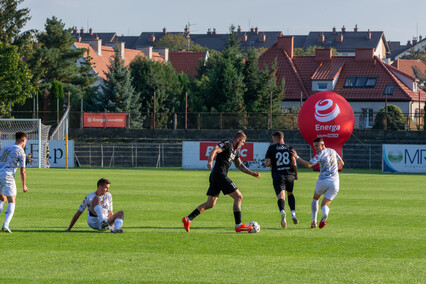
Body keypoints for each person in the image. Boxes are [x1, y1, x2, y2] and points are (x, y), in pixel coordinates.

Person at [182, 131, 261, 233]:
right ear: (238, 139)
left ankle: (188, 219)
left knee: (210, 203)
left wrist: (251, 173)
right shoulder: (228, 144)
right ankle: (238, 225)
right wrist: (210, 162)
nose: (243, 144)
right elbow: (214, 150)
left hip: (216, 177)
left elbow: (239, 165)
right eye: (243, 142)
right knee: (239, 197)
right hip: (220, 175)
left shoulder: (235, 151)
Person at [291, 138, 344, 229]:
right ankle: (325, 214)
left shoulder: (320, 154)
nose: (315, 148)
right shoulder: (333, 151)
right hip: (335, 182)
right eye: (314, 146)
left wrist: (297, 157)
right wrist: (334, 170)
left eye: (317, 146)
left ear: (322, 145)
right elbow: (342, 163)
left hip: (323, 180)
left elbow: (308, 165)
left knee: (315, 198)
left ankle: (314, 221)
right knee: (324, 204)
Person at [265, 131, 298, 228]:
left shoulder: (271, 148)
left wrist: (273, 161)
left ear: (275, 138)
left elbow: (267, 163)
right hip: (290, 175)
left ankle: (283, 213)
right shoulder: (290, 148)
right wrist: (296, 174)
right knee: (290, 193)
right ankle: (293, 213)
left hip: (278, 175)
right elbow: (294, 163)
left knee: (281, 196)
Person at [0, 132, 28, 233]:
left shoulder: (5, 148)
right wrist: (24, 185)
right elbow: (22, 170)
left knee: (2, 198)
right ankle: (6, 224)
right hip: (7, 175)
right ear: (23, 140)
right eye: (25, 142)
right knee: (12, 200)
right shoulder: (20, 150)